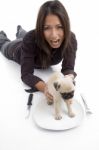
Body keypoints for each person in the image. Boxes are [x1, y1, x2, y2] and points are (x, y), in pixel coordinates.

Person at [0, 0, 77, 103]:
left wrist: (69, 79)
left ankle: (20, 31)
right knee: (4, 44)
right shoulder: (30, 39)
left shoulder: (70, 39)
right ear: (41, 28)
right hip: (17, 50)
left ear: (66, 25)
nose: (54, 35)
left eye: (59, 27)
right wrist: (45, 88)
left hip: (31, 39)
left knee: (24, 35)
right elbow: (26, 75)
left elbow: (68, 68)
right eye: (46, 28)